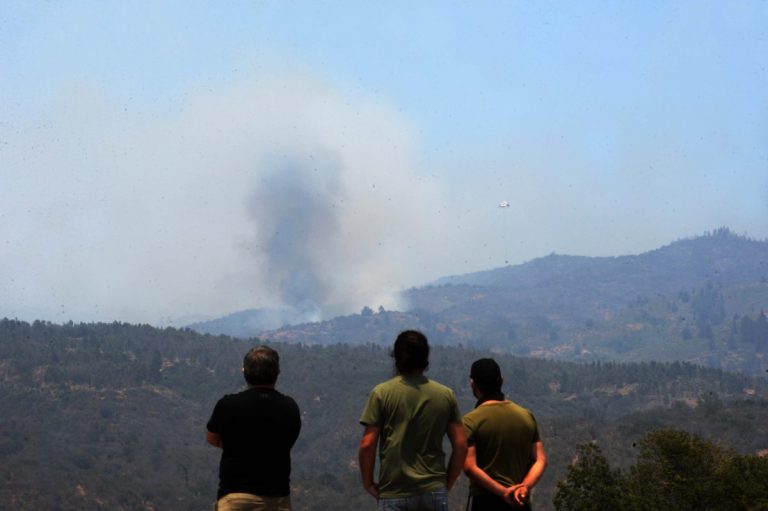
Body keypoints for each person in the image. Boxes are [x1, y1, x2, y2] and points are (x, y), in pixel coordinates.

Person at [358, 330, 468, 511]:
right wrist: (445, 485)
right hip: (434, 490)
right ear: (425, 359)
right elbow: (461, 445)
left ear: (396, 358)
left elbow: (367, 445)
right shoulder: (445, 395)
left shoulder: (381, 393)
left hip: (394, 491)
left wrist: (368, 483)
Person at [206, 346, 301, 511]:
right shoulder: (290, 407)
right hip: (276, 499)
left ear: (244, 372)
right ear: (278, 372)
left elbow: (212, 438)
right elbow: (290, 440)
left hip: (235, 499)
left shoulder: (227, 405)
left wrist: (236, 446)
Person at [462, 358, 547, 511]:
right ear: (501, 381)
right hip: (519, 501)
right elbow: (540, 460)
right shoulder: (526, 416)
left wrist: (503, 492)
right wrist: (524, 487)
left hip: (485, 503)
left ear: (473, 384)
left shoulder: (470, 421)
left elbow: (469, 467)